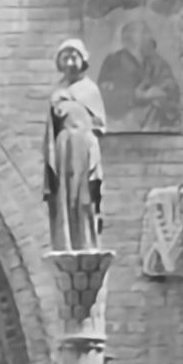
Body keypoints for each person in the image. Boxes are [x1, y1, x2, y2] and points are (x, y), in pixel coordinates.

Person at [43, 39, 109, 255]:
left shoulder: (89, 89)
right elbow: (50, 129)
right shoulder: (57, 92)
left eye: (74, 57)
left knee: (84, 197)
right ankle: (66, 241)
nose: (70, 62)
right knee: (64, 197)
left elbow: (100, 124)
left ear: (83, 61)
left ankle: (87, 240)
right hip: (63, 149)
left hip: (84, 147)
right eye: (66, 58)